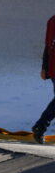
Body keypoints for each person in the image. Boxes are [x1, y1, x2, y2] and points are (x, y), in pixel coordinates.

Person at [32, 14, 55, 144]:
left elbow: (47, 46)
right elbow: (48, 45)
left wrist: (44, 67)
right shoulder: (52, 21)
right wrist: (44, 68)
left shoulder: (51, 20)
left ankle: (40, 127)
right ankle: (40, 126)